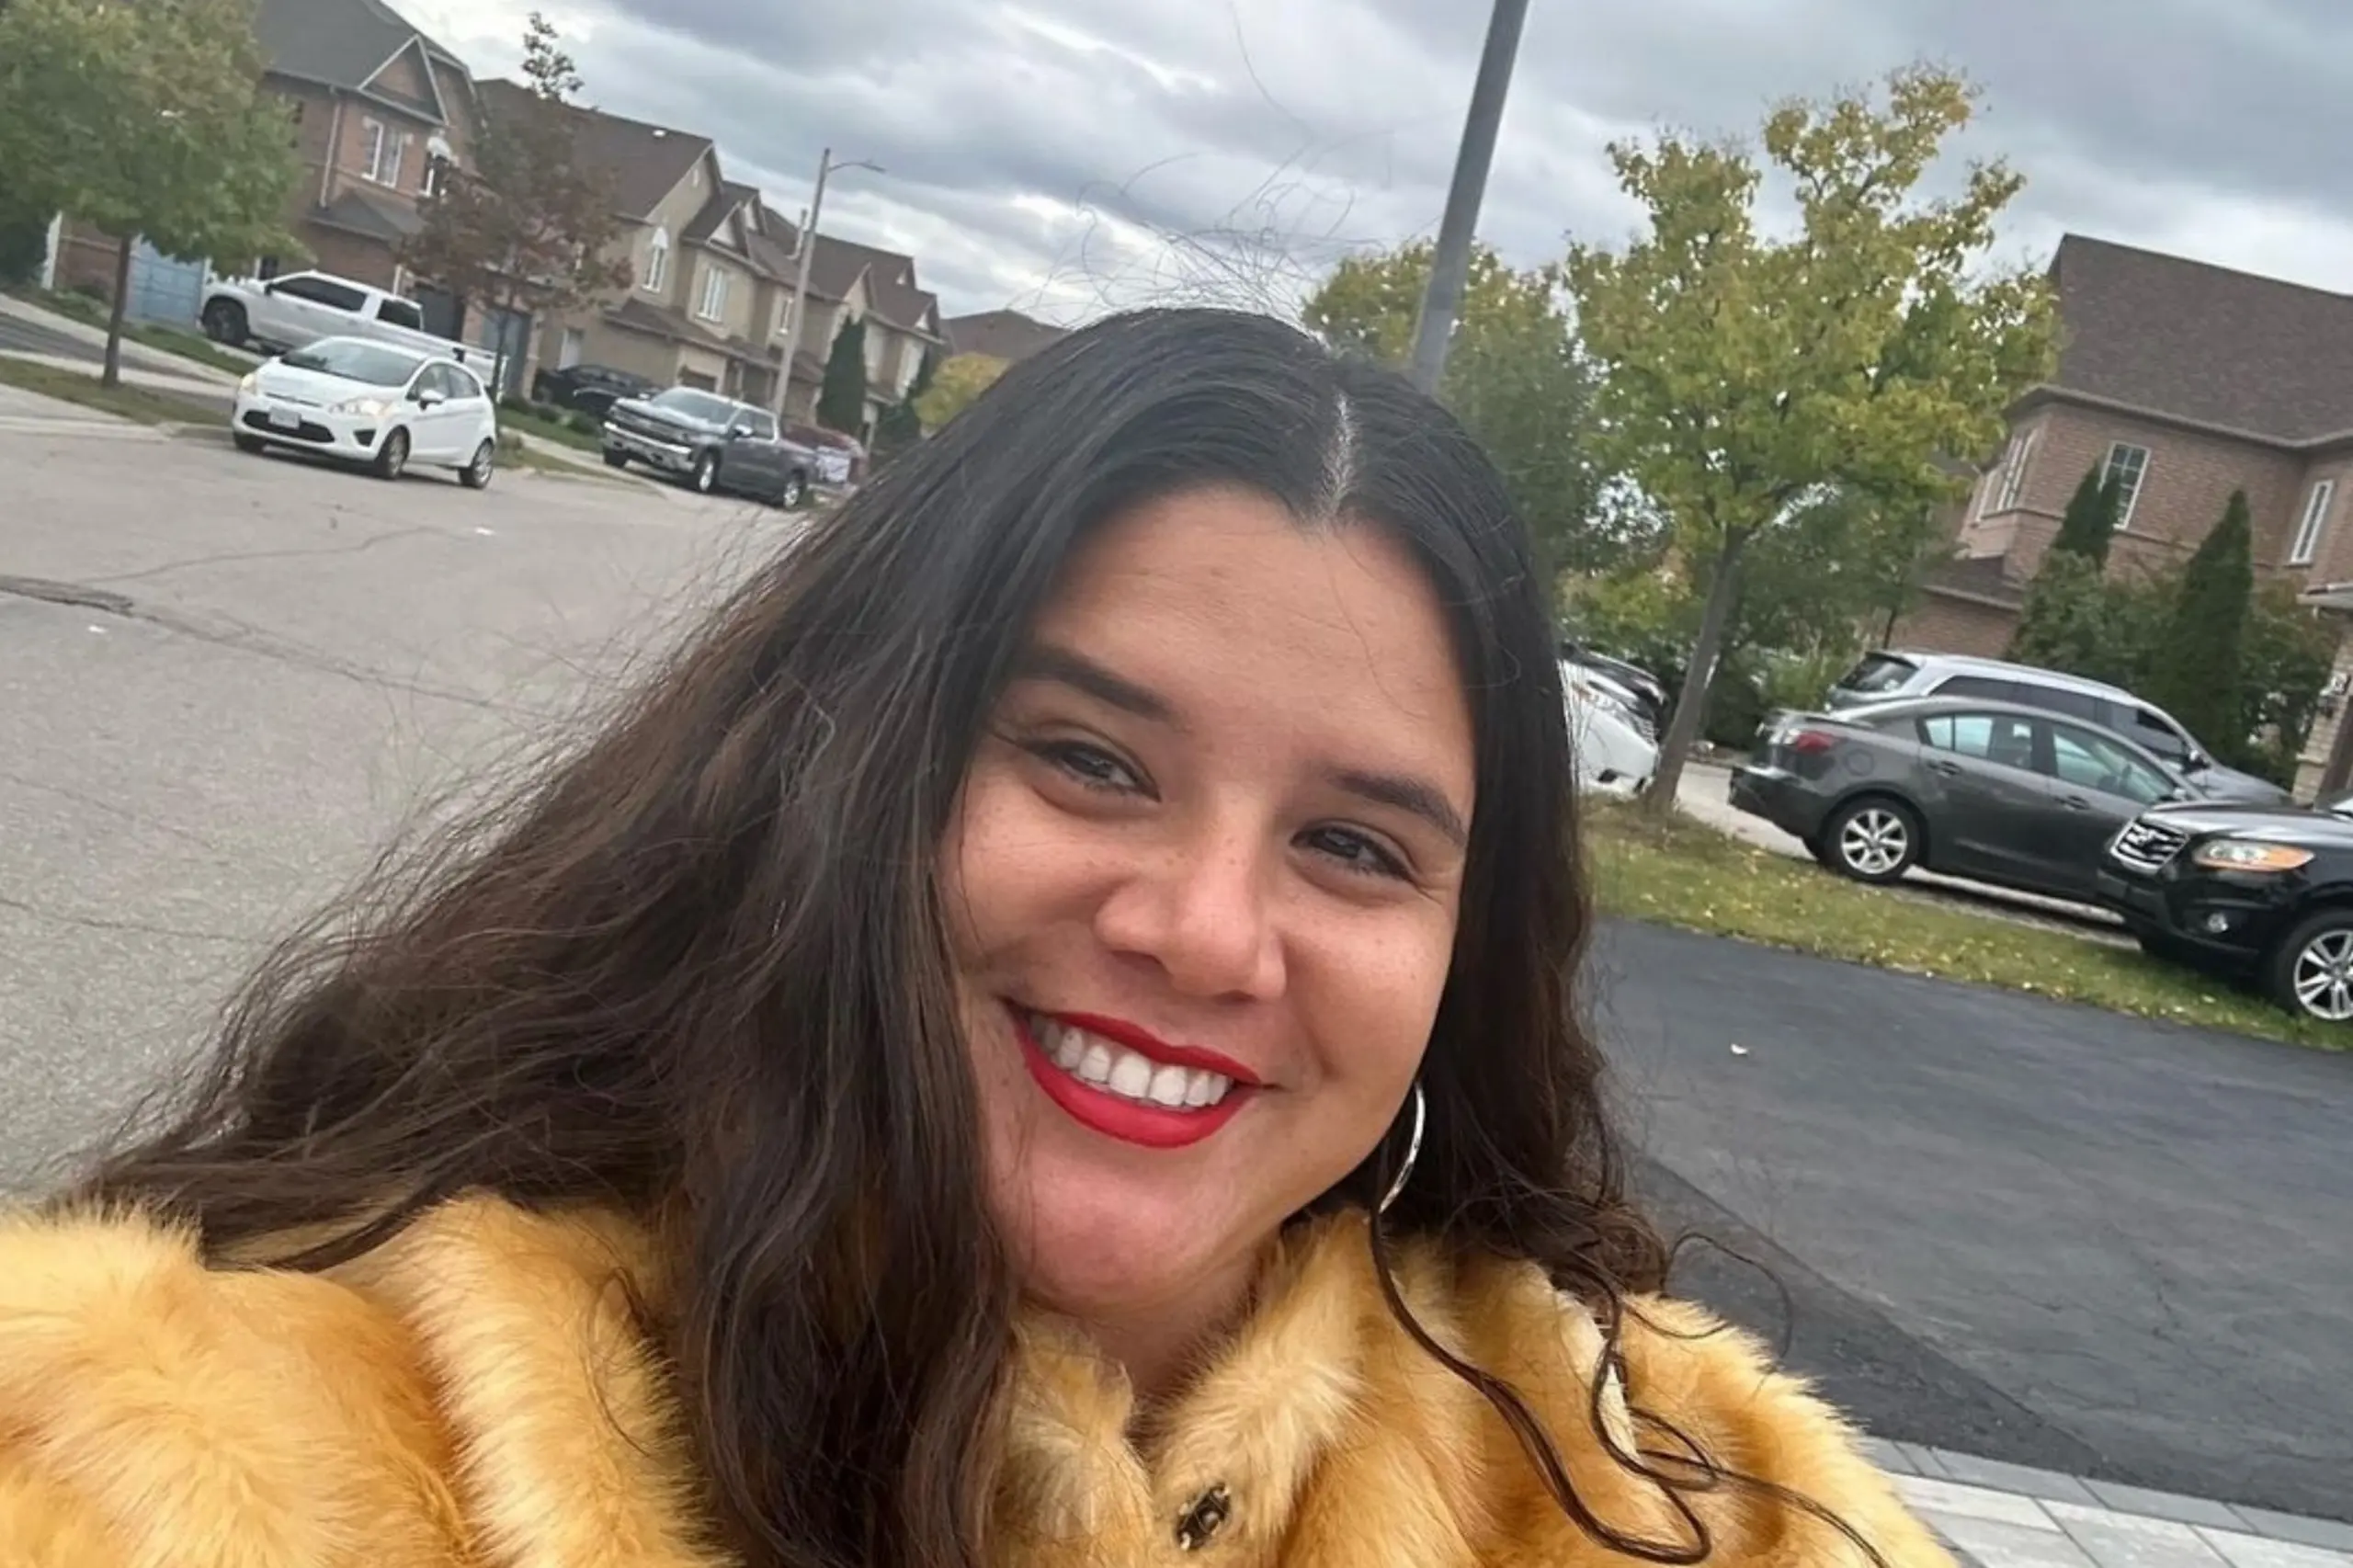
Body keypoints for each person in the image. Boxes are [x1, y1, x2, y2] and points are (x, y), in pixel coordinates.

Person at [0, 309, 1948, 1568]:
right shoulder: (205, 1456)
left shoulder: (1673, 1499)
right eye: (1091, 759)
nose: (1204, 932)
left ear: (1464, 961)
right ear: (841, 767)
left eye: (1354, 845)